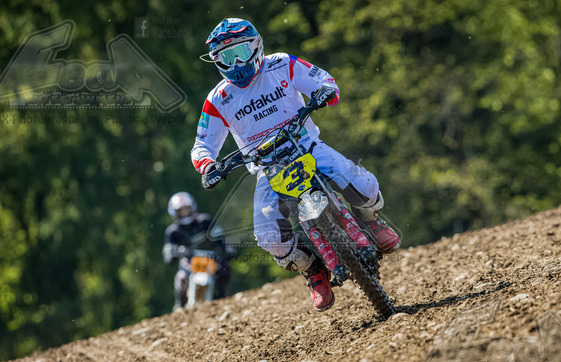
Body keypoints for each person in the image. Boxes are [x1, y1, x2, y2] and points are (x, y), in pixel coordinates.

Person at [191, 18, 400, 312]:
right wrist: (208, 166)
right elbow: (202, 145)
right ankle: (312, 270)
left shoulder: (281, 64)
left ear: (256, 46)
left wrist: (326, 91)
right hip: (267, 168)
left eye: (239, 52)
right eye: (226, 57)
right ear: (216, 61)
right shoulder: (218, 99)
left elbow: (324, 79)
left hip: (307, 145)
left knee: (365, 185)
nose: (235, 63)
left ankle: (371, 221)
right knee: (268, 237)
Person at [163, 191, 233, 309]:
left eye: (187, 209)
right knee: (181, 278)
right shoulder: (172, 232)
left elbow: (222, 238)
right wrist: (172, 255)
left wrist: (229, 249)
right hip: (188, 263)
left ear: (192, 208)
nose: (185, 213)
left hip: (210, 258)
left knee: (224, 269)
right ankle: (179, 306)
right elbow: (168, 253)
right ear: (174, 212)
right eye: (181, 211)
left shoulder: (205, 221)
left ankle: (221, 297)